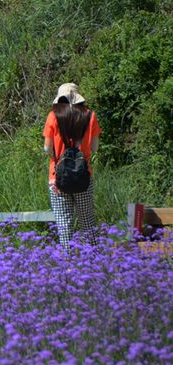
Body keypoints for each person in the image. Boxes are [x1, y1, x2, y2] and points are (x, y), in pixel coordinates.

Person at [43, 83, 102, 249]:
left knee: (64, 224)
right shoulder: (90, 116)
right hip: (83, 176)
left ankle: (67, 265)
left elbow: (47, 149)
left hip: (57, 178)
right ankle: (94, 259)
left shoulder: (53, 116)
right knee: (87, 222)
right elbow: (95, 148)